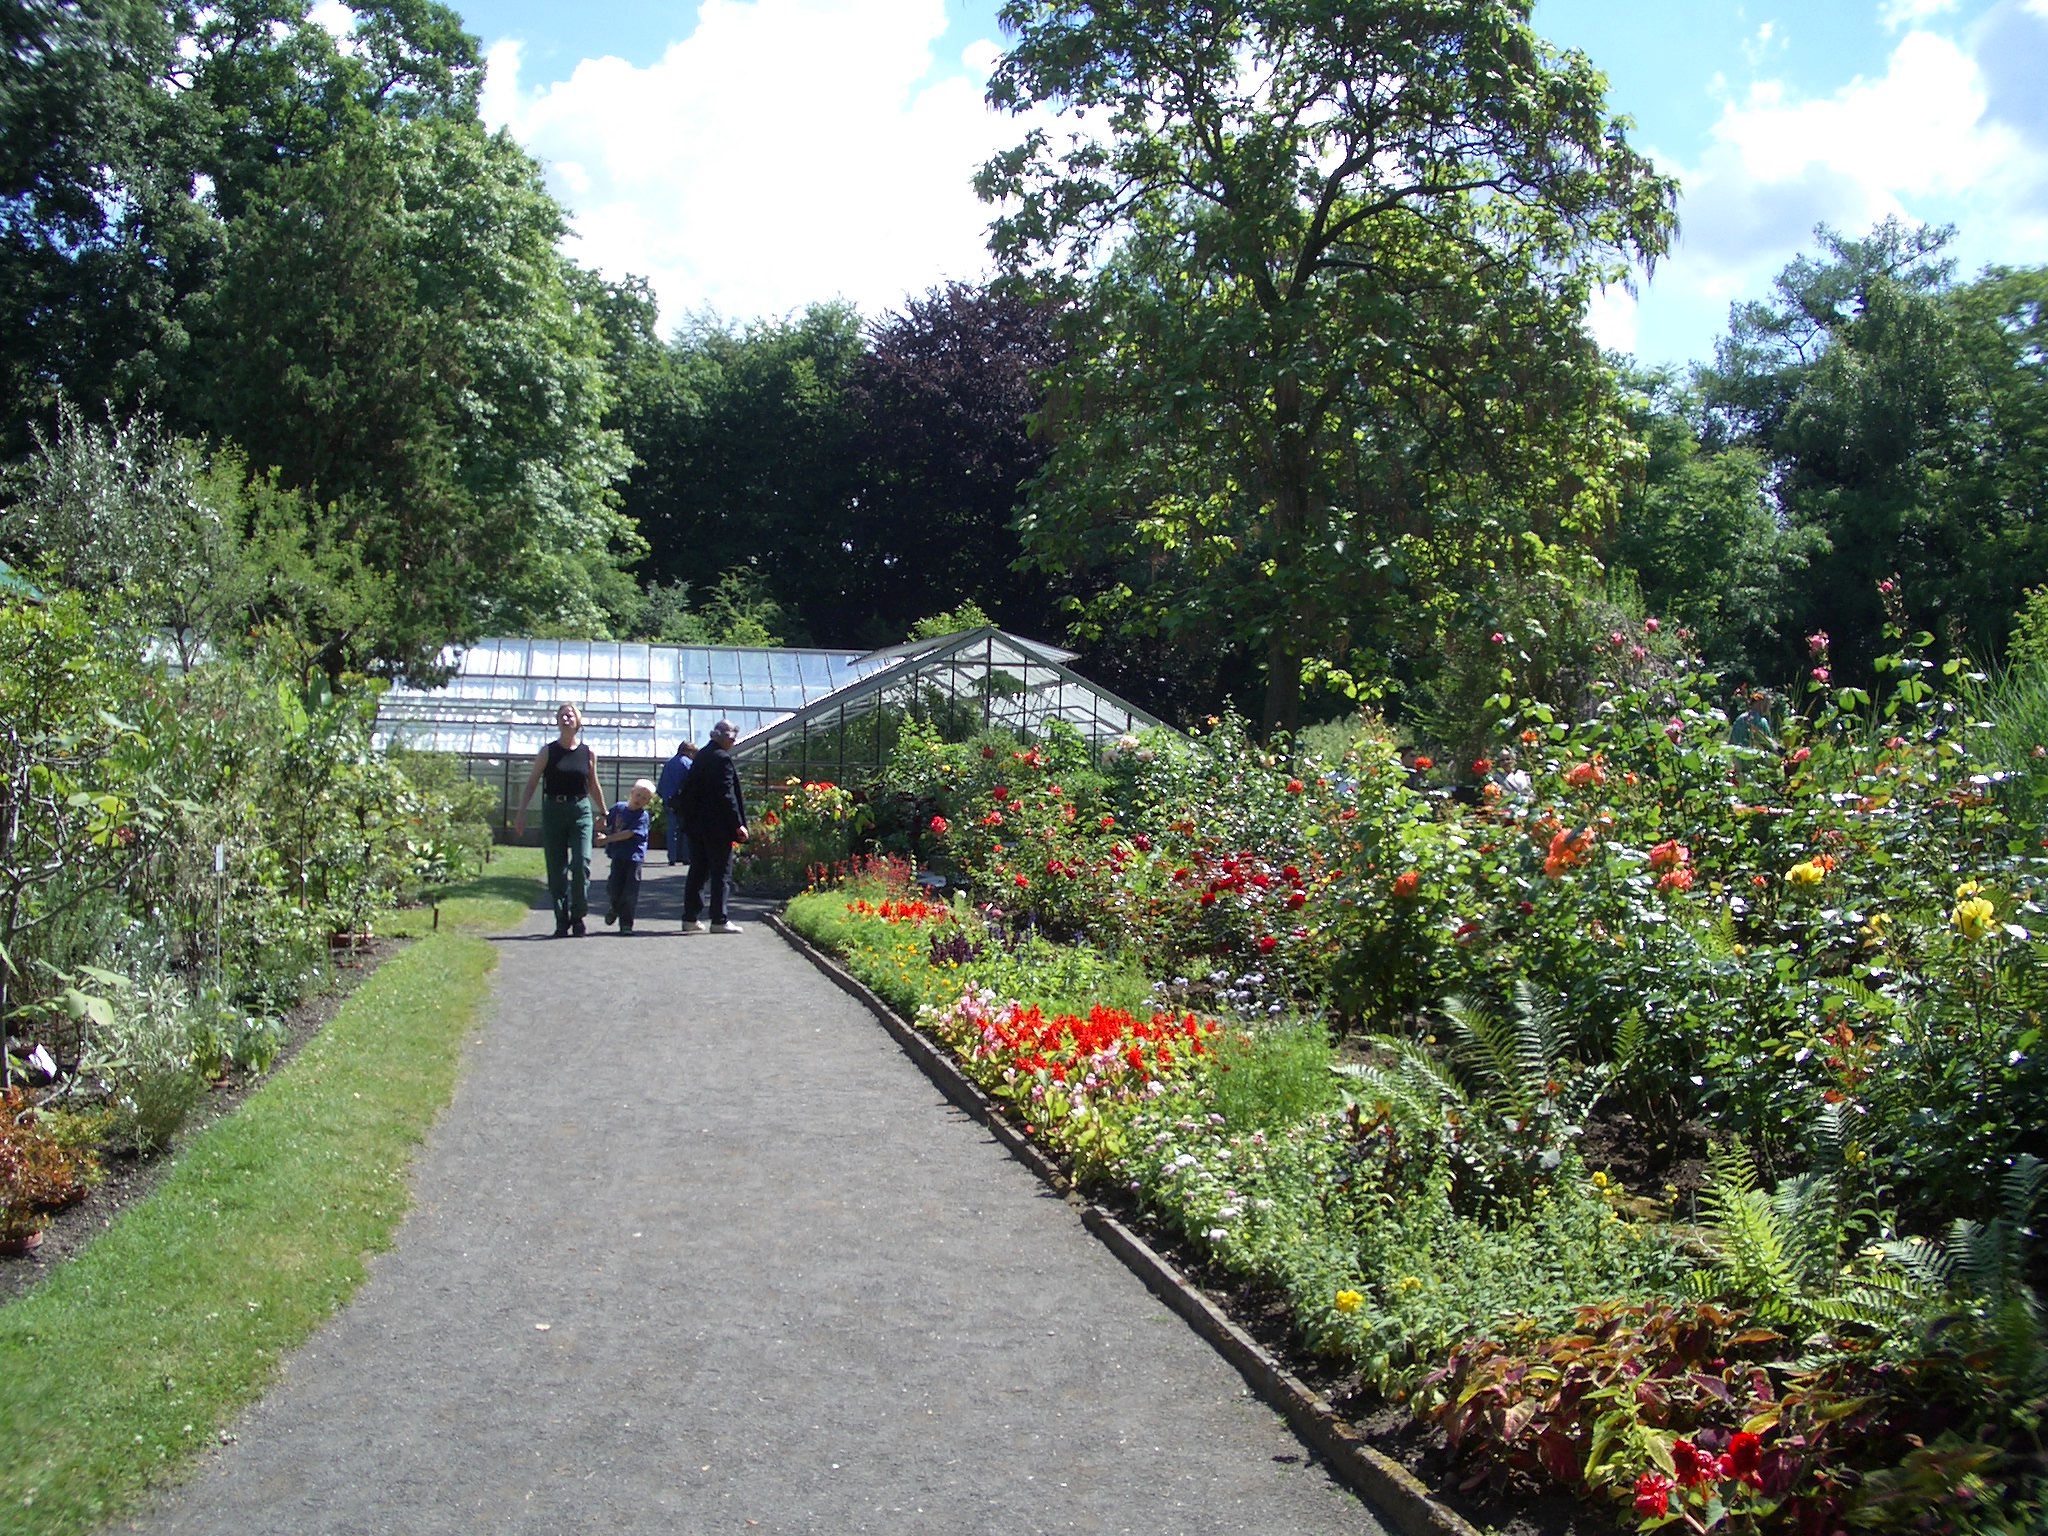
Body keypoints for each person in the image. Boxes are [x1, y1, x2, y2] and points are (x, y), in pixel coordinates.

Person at [512, 702, 609, 937]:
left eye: (570, 715)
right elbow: (533, 781)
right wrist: (521, 812)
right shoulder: (548, 751)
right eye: (562, 715)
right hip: (553, 810)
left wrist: (605, 812)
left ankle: (578, 915)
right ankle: (561, 919)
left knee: (581, 863)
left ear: (578, 721)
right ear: (557, 721)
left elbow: (593, 785)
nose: (566, 718)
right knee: (556, 869)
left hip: (580, 810)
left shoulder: (588, 753)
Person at [677, 719, 749, 934]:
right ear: (723, 737)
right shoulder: (722, 759)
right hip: (717, 827)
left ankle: (690, 918)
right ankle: (719, 919)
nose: (733, 743)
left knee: (698, 871)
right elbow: (727, 795)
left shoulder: (701, 756)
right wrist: (738, 825)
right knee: (721, 873)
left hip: (697, 825)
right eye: (732, 739)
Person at [595, 778, 656, 934]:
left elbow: (628, 834)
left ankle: (626, 924)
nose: (640, 800)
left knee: (630, 892)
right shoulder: (618, 809)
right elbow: (605, 821)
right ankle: (614, 907)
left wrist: (607, 839)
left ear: (648, 802)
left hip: (633, 857)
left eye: (644, 798)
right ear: (632, 793)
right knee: (614, 887)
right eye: (638, 795)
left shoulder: (642, 816)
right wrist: (600, 824)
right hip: (618, 855)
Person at [655, 738, 697, 866]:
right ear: (688, 751)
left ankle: (672, 857)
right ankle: (685, 857)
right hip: (684, 802)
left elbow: (661, 786)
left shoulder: (668, 764)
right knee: (685, 829)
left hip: (669, 801)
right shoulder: (689, 764)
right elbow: (692, 784)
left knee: (671, 829)